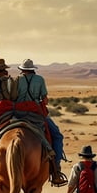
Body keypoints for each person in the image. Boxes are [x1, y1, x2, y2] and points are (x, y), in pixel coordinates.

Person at [15, 58, 68, 186]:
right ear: (33, 69)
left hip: (18, 113)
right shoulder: (40, 80)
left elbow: (12, 98)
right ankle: (56, 169)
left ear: (22, 70)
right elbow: (44, 100)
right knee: (57, 135)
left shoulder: (16, 80)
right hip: (36, 114)